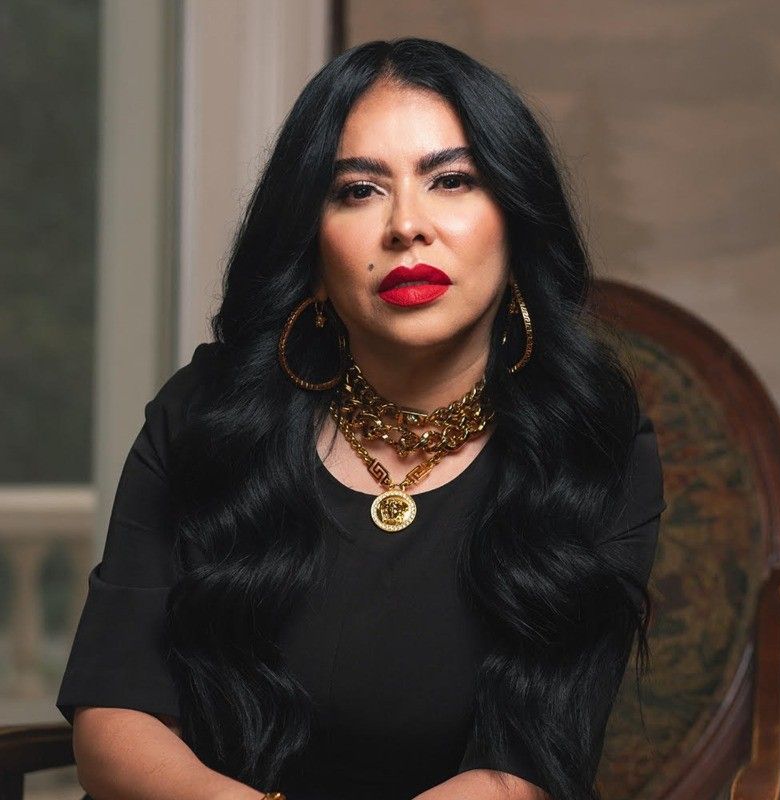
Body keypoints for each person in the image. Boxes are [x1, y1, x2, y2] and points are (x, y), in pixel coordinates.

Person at [56, 37, 667, 800]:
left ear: (513, 219)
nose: (406, 226)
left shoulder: (592, 445)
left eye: (452, 180)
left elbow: (525, 769)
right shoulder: (208, 414)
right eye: (358, 191)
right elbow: (115, 720)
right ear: (310, 241)